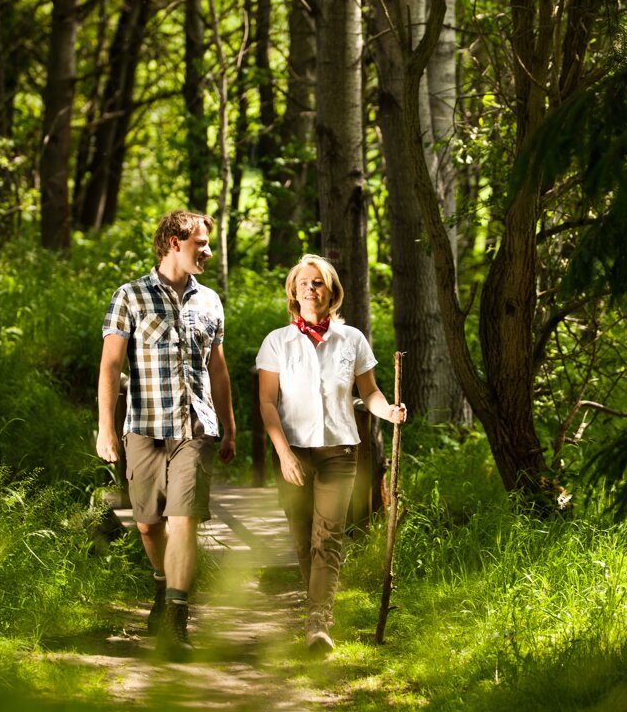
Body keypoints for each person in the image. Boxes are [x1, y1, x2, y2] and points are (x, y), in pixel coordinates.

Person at [95, 210, 236, 651]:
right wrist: (105, 428)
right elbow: (111, 366)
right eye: (201, 244)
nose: (208, 252)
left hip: (196, 425)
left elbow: (218, 367)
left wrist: (229, 427)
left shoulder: (210, 301)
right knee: (149, 525)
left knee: (184, 520)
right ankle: (163, 585)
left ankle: (177, 617)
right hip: (144, 426)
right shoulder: (130, 296)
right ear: (174, 242)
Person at [256, 254, 406, 653]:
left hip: (340, 452)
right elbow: (268, 404)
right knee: (303, 539)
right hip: (293, 454)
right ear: (293, 291)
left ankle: (318, 621)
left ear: (331, 291)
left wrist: (388, 411)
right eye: (304, 282)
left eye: (318, 283)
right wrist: (284, 454)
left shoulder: (351, 339)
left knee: (330, 537)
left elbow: (369, 392)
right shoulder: (277, 342)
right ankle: (315, 610)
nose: (311, 288)